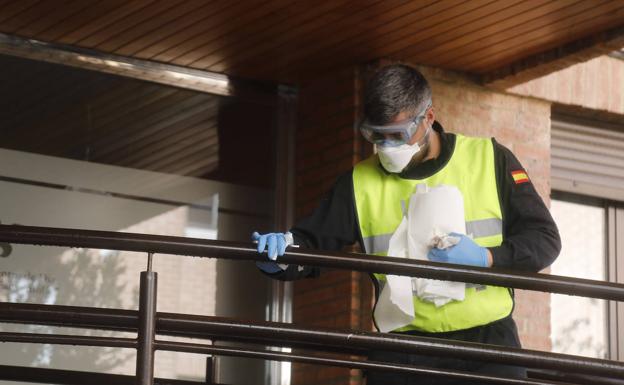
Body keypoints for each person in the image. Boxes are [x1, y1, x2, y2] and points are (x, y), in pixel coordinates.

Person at [252, 64, 561, 384]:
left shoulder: (490, 160)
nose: (387, 147)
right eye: (376, 136)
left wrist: (488, 258)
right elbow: (312, 243)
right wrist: (278, 257)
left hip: (489, 349)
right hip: (403, 352)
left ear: (428, 118)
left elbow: (545, 240)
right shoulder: (359, 183)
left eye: (397, 135)